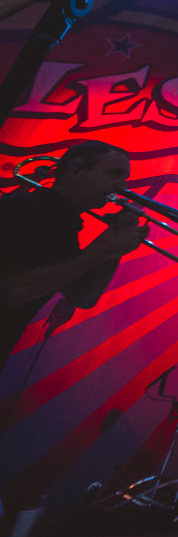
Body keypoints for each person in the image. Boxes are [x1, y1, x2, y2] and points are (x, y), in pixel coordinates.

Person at [1, 141, 147, 372]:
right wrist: (104, 250)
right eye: (114, 174)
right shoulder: (22, 209)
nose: (122, 187)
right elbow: (12, 292)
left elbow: (83, 297)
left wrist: (115, 242)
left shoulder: (64, 227)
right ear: (76, 168)